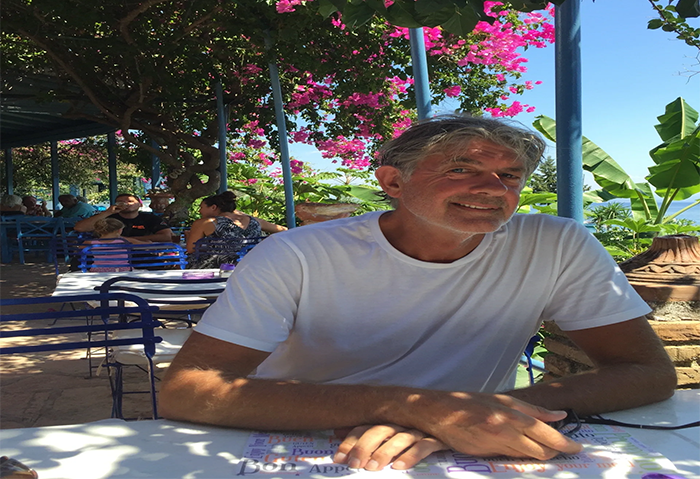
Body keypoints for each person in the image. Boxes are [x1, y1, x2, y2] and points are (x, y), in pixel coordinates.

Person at [160, 114, 676, 470]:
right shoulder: (297, 254)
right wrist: (416, 407)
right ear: (393, 181)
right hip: (309, 447)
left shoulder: (556, 243)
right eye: (461, 170)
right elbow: (190, 389)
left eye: (509, 176)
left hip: (466, 445)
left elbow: (646, 371)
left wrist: (482, 412)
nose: (494, 190)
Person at [185, 191, 287, 268]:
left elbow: (191, 249)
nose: (199, 211)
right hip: (252, 265)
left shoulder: (204, 223)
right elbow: (285, 230)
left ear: (213, 207)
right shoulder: (255, 221)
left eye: (201, 207)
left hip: (217, 267)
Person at [73, 193, 172, 242]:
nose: (126, 204)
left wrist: (128, 240)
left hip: (142, 254)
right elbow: (79, 228)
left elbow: (167, 236)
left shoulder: (150, 218)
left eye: (130, 201)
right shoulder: (108, 217)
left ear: (140, 205)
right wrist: (107, 212)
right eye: (121, 202)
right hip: (109, 256)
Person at [82, 218, 148, 272]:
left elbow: (79, 249)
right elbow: (143, 245)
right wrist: (148, 242)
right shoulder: (124, 241)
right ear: (119, 230)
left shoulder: (91, 242)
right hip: (122, 269)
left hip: (98, 269)